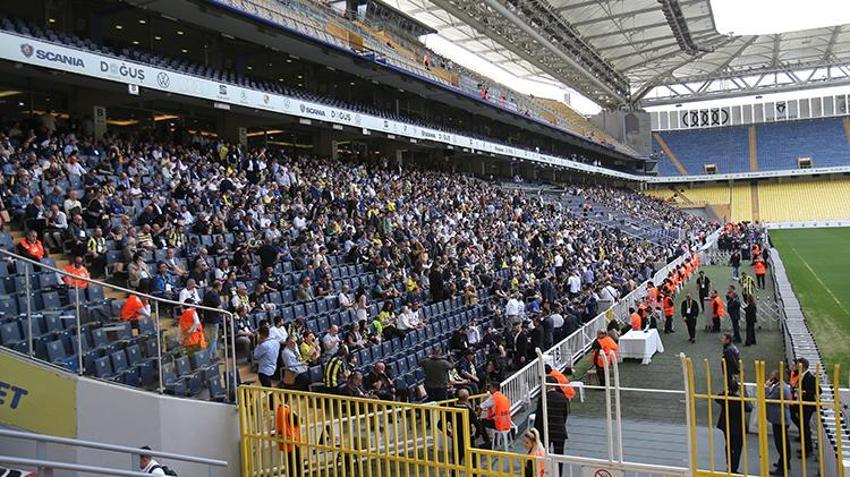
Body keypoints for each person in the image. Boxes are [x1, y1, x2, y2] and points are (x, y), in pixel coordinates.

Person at [715, 380, 748, 474]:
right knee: (738, 447)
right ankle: (734, 467)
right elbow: (749, 408)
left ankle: (729, 463)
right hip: (739, 426)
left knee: (728, 445)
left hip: (727, 425)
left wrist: (725, 392)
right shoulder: (740, 399)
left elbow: (717, 397)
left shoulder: (724, 397)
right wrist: (744, 393)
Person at [534, 376, 570, 457]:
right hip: (559, 430)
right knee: (559, 456)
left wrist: (536, 432)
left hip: (546, 431)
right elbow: (565, 414)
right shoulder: (562, 397)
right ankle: (559, 470)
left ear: (547, 385)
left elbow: (539, 418)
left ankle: (548, 469)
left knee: (545, 454)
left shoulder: (543, 398)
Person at [791, 357, 818, 457]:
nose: (797, 366)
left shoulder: (809, 377)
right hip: (801, 404)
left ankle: (807, 449)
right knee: (803, 426)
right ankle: (806, 447)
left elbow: (818, 390)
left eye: (798, 365)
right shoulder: (801, 376)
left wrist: (805, 392)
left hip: (807, 406)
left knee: (805, 427)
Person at [766, 370, 792, 475]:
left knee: (781, 443)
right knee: (783, 442)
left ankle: (783, 467)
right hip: (780, 419)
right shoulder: (782, 386)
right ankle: (784, 463)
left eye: (771, 376)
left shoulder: (779, 388)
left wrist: (766, 387)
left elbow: (768, 398)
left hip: (780, 419)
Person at [275, 403, 302, 475]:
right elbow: (299, 421)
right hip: (293, 442)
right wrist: (294, 412)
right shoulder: (288, 412)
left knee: (290, 468)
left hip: (285, 442)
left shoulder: (279, 411)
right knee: (297, 468)